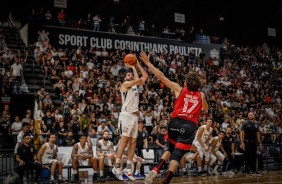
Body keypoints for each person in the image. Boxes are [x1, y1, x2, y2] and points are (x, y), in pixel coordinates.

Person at [139, 51, 208, 184]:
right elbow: (206, 108)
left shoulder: (179, 89)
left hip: (174, 123)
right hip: (188, 127)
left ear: (187, 83)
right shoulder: (201, 95)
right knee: (176, 156)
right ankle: (166, 181)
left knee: (170, 148)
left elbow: (161, 76)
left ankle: (156, 168)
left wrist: (147, 62)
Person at [112, 56, 148, 181]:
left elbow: (145, 77)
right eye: (127, 75)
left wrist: (138, 65)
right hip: (126, 116)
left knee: (133, 142)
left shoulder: (135, 86)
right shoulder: (125, 84)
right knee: (124, 140)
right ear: (124, 78)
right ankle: (116, 167)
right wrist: (133, 66)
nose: (130, 76)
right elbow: (138, 80)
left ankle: (128, 169)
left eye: (130, 74)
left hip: (134, 117)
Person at [240, 111, 263, 176]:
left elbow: (257, 134)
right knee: (248, 157)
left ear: (254, 116)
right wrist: (242, 142)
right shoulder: (245, 123)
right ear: (248, 116)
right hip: (247, 142)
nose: (250, 116)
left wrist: (260, 142)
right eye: (249, 115)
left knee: (254, 156)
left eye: (252, 115)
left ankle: (254, 170)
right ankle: (247, 170)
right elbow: (242, 133)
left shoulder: (256, 123)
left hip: (254, 142)